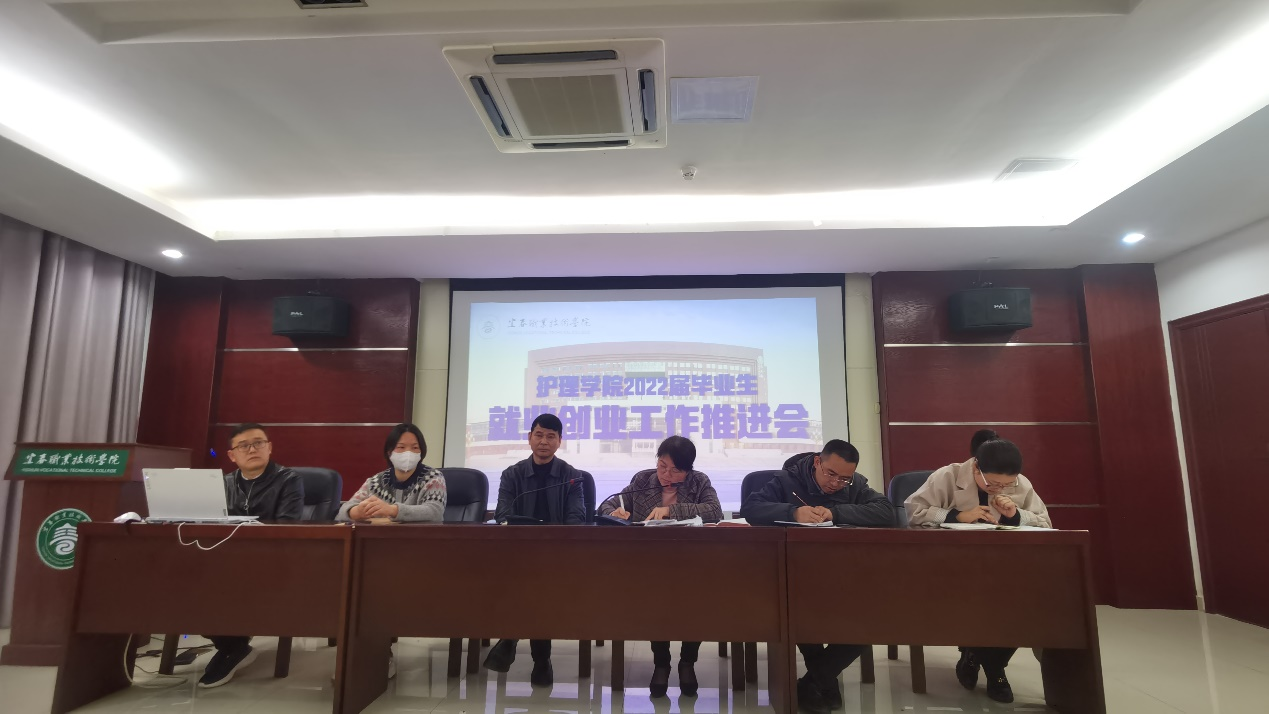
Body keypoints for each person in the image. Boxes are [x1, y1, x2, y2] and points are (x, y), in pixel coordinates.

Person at [740, 440, 894, 714]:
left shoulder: (855, 485)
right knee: (797, 610)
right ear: (817, 463)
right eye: (830, 474)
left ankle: (814, 681)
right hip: (794, 575)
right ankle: (824, 682)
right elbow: (751, 509)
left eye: (844, 478)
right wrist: (793, 512)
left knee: (871, 618)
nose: (836, 483)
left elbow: (885, 512)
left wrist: (836, 512)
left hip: (844, 576)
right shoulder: (786, 481)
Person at [902, 437, 1052, 703]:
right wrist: (956, 516)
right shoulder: (947, 476)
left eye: (1006, 484)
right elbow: (914, 511)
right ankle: (995, 671)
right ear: (975, 467)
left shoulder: (1021, 483)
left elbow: (1045, 522)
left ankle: (974, 655)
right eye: (992, 483)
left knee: (1025, 605)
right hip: (952, 567)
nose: (999, 488)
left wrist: (1015, 515)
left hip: (1005, 568)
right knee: (979, 601)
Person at [597, 435, 722, 697]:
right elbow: (608, 504)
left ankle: (687, 662)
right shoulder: (643, 480)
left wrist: (671, 511)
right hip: (650, 563)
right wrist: (614, 513)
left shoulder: (699, 481)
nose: (666, 474)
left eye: (675, 470)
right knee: (656, 600)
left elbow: (714, 511)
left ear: (687, 470)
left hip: (691, 563)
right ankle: (661, 663)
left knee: (695, 601)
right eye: (662, 466)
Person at [483, 413, 587, 687]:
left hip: (558, 556)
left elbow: (576, 518)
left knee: (538, 581)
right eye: (539, 435)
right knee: (531, 580)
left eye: (551, 436)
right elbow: (503, 515)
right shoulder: (512, 475)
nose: (544, 441)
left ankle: (511, 638)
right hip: (519, 553)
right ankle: (542, 659)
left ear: (559, 441)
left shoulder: (572, 477)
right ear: (529, 438)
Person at [199, 423, 304, 688]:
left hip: (273, 561)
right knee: (189, 579)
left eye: (258, 443)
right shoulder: (222, 483)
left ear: (269, 447)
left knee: (214, 585)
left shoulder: (288, 480)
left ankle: (232, 648)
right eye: (243, 445)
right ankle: (232, 647)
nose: (252, 449)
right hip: (227, 560)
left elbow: (287, 527)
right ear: (232, 455)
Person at [338, 423, 446, 523]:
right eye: (401, 447)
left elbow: (435, 512)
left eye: (415, 448)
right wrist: (356, 512)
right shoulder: (375, 482)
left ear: (421, 452)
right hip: (382, 537)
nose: (408, 452)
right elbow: (342, 513)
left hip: (421, 536)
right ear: (389, 452)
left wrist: (392, 510)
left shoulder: (433, 478)